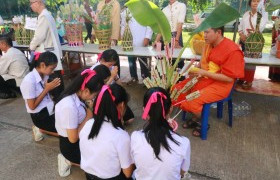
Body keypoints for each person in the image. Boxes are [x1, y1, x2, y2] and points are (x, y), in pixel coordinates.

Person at [172, 27, 244, 137]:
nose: (204, 35)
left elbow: (229, 78)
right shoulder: (208, 43)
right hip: (203, 78)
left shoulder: (232, 50)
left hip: (221, 84)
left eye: (206, 32)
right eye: (203, 32)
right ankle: (196, 116)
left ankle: (202, 121)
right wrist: (194, 70)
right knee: (176, 90)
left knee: (192, 99)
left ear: (218, 33)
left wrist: (204, 73)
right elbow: (202, 64)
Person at [131, 87, 190, 180]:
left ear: (144, 110)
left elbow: (134, 162)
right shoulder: (184, 142)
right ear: (171, 109)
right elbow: (182, 171)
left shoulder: (135, 137)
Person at [55, 69, 104, 177]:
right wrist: (88, 115)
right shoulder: (69, 106)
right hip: (71, 147)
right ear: (86, 91)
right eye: (94, 95)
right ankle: (67, 160)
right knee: (101, 162)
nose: (94, 98)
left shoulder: (76, 95)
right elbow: (72, 139)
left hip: (81, 136)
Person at [79, 84, 134, 180]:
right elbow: (127, 173)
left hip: (89, 176)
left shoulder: (88, 124)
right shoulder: (120, 136)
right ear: (121, 105)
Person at [20, 51, 61, 141]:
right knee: (66, 134)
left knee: (70, 125)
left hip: (50, 109)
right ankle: (40, 129)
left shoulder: (44, 74)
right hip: (40, 115)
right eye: (51, 68)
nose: (53, 71)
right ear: (42, 65)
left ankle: (43, 129)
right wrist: (46, 89)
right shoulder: (29, 81)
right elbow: (32, 106)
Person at [29, 0, 64, 100]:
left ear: (39, 2)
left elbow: (39, 36)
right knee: (55, 81)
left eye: (32, 3)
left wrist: (31, 46)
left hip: (48, 54)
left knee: (53, 81)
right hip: (51, 52)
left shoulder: (44, 16)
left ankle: (58, 103)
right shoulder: (47, 14)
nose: (31, 6)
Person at [91, 52, 135, 125]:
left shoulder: (111, 68)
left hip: (113, 95)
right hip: (102, 99)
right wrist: (111, 77)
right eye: (110, 64)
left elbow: (120, 86)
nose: (111, 66)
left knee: (130, 119)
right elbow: (99, 93)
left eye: (113, 64)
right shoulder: (95, 70)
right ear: (102, 60)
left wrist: (116, 78)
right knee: (114, 121)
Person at [238, 0, 268, 89]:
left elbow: (260, 28)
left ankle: (249, 80)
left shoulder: (263, 15)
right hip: (243, 40)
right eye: (254, 1)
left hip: (254, 42)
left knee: (251, 61)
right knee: (241, 59)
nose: (256, 3)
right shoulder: (246, 14)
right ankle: (241, 77)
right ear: (250, 3)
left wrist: (250, 36)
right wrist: (241, 34)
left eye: (258, 1)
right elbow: (241, 25)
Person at [121, 8, 153, 85]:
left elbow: (150, 24)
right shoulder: (126, 11)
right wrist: (122, 36)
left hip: (142, 40)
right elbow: (123, 25)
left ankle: (146, 78)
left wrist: (147, 37)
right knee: (131, 61)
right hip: (129, 41)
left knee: (143, 61)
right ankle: (133, 77)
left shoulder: (144, 9)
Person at [269, 9, 280, 81]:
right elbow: (273, 17)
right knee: (276, 52)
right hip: (277, 31)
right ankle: (274, 75)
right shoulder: (277, 8)